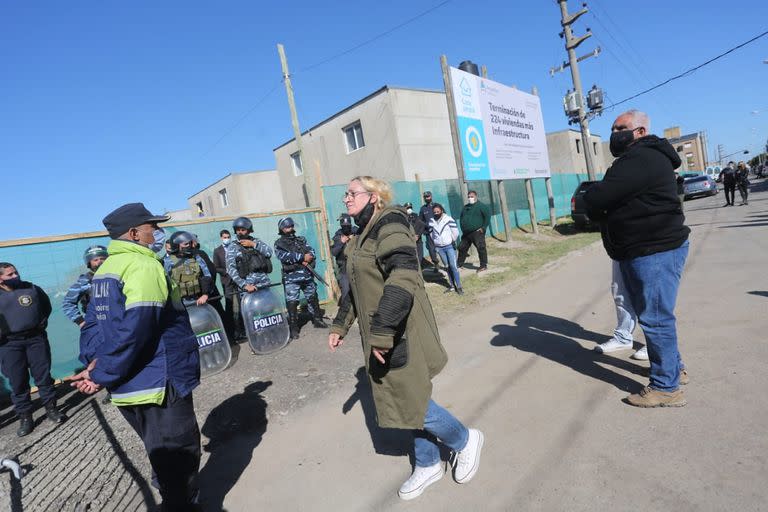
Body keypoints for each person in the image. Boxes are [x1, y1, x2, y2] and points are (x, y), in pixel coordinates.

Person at [328, 176, 483, 501]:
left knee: (412, 401)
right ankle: (427, 463)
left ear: (374, 196)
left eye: (351, 192)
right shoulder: (362, 233)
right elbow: (356, 287)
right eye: (345, 193)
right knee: (403, 397)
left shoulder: (391, 222)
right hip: (382, 333)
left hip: (400, 331)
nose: (346, 199)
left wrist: (383, 332)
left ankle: (464, 440)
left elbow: (403, 273)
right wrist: (340, 325)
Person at [70, 203, 201, 511]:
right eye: (151, 227)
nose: (157, 232)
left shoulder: (105, 270)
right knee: (179, 456)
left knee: (159, 452)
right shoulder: (143, 266)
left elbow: (91, 326)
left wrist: (95, 364)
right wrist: (101, 372)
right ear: (134, 233)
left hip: (129, 386)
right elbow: (138, 329)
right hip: (159, 382)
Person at [583, 109, 691, 407]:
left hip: (653, 251)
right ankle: (674, 370)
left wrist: (593, 202)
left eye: (622, 128)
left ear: (641, 131)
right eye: (614, 128)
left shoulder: (641, 159)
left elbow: (596, 199)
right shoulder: (643, 159)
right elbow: (605, 199)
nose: (615, 133)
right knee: (656, 317)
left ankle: (666, 388)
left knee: (656, 320)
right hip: (647, 250)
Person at [0, 263, 66, 437]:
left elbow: (46, 306)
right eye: (10, 274)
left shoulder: (31, 288)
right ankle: (26, 418)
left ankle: (52, 409)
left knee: (43, 377)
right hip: (9, 344)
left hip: (36, 340)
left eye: (16, 272)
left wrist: (40, 323)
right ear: (0, 278)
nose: (15, 276)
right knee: (18, 382)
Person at [274, 217, 327, 340]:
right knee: (292, 302)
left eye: (292, 226)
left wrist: (308, 257)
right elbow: (283, 256)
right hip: (292, 278)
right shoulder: (279, 243)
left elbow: (312, 251)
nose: (290, 229)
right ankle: (294, 328)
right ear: (281, 229)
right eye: (287, 227)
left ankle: (317, 320)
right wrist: (302, 257)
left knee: (312, 297)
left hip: (307, 275)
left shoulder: (301, 240)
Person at [163, 231, 215, 306]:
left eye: (189, 243)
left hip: (197, 300)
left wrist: (205, 295)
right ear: (176, 245)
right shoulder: (168, 261)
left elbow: (207, 276)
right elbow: (164, 283)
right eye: (185, 244)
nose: (188, 246)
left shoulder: (196, 257)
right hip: (177, 303)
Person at [62, 245, 108, 328]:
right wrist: (80, 321)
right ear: (89, 263)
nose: (99, 262)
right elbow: (67, 303)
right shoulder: (83, 282)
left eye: (102, 258)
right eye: (95, 260)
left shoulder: (116, 278)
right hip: (95, 324)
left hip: (117, 322)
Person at [428, 203, 463, 295]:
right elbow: (432, 234)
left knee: (453, 266)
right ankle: (452, 286)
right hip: (440, 248)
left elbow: (455, 232)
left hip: (449, 246)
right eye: (434, 212)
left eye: (438, 211)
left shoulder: (448, 219)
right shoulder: (431, 221)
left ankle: (459, 286)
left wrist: (451, 240)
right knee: (447, 267)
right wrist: (437, 243)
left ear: (442, 211)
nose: (436, 213)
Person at [214, 229, 239, 340]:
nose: (227, 239)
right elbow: (216, 267)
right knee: (229, 305)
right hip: (226, 281)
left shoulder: (235, 248)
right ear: (221, 238)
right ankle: (231, 331)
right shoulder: (217, 251)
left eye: (228, 237)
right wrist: (226, 271)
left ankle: (241, 328)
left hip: (238, 280)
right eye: (224, 237)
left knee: (241, 303)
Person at [457, 190, 490, 273]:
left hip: (477, 232)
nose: (470, 198)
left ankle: (483, 265)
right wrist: (463, 228)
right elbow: (461, 218)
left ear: (476, 196)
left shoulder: (481, 206)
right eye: (469, 197)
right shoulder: (465, 207)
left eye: (472, 196)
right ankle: (459, 264)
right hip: (466, 233)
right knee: (462, 247)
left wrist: (483, 228)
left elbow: (487, 217)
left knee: (481, 247)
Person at [330, 214, 357, 299]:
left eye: (348, 226)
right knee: (346, 290)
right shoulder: (337, 236)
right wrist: (341, 242)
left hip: (356, 265)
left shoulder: (357, 231)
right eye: (344, 226)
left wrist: (355, 239)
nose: (346, 228)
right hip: (344, 268)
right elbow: (333, 252)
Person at [419, 191, 439, 270]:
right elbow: (420, 221)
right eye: (425, 197)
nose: (427, 198)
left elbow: (443, 215)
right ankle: (436, 264)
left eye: (428, 196)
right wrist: (424, 230)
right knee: (431, 250)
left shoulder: (436, 206)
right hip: (429, 232)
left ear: (431, 196)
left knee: (442, 247)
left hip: (438, 231)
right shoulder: (423, 208)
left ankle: (448, 264)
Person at [403, 202, 426, 267]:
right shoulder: (403, 217)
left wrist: (418, 235)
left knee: (420, 257)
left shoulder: (416, 216)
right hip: (409, 241)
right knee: (412, 258)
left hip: (418, 241)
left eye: (410, 207)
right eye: (407, 208)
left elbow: (422, 226)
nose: (409, 209)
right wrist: (411, 236)